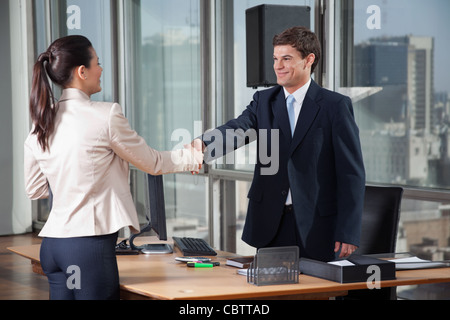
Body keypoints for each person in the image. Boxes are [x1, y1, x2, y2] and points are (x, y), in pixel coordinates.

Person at [24, 35, 203, 300]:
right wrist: (192, 156)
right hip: (87, 247)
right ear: (82, 71)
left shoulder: (42, 122)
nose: (101, 69)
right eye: (97, 62)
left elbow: (36, 189)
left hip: (53, 247)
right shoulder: (105, 114)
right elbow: (152, 162)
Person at [193, 26, 365, 262]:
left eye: (286, 58)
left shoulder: (335, 106)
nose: (278, 66)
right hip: (270, 223)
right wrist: (202, 144)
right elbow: (238, 128)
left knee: (313, 296)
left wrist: (348, 231)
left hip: (317, 226)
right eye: (275, 58)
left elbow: (351, 174)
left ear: (309, 60)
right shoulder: (264, 101)